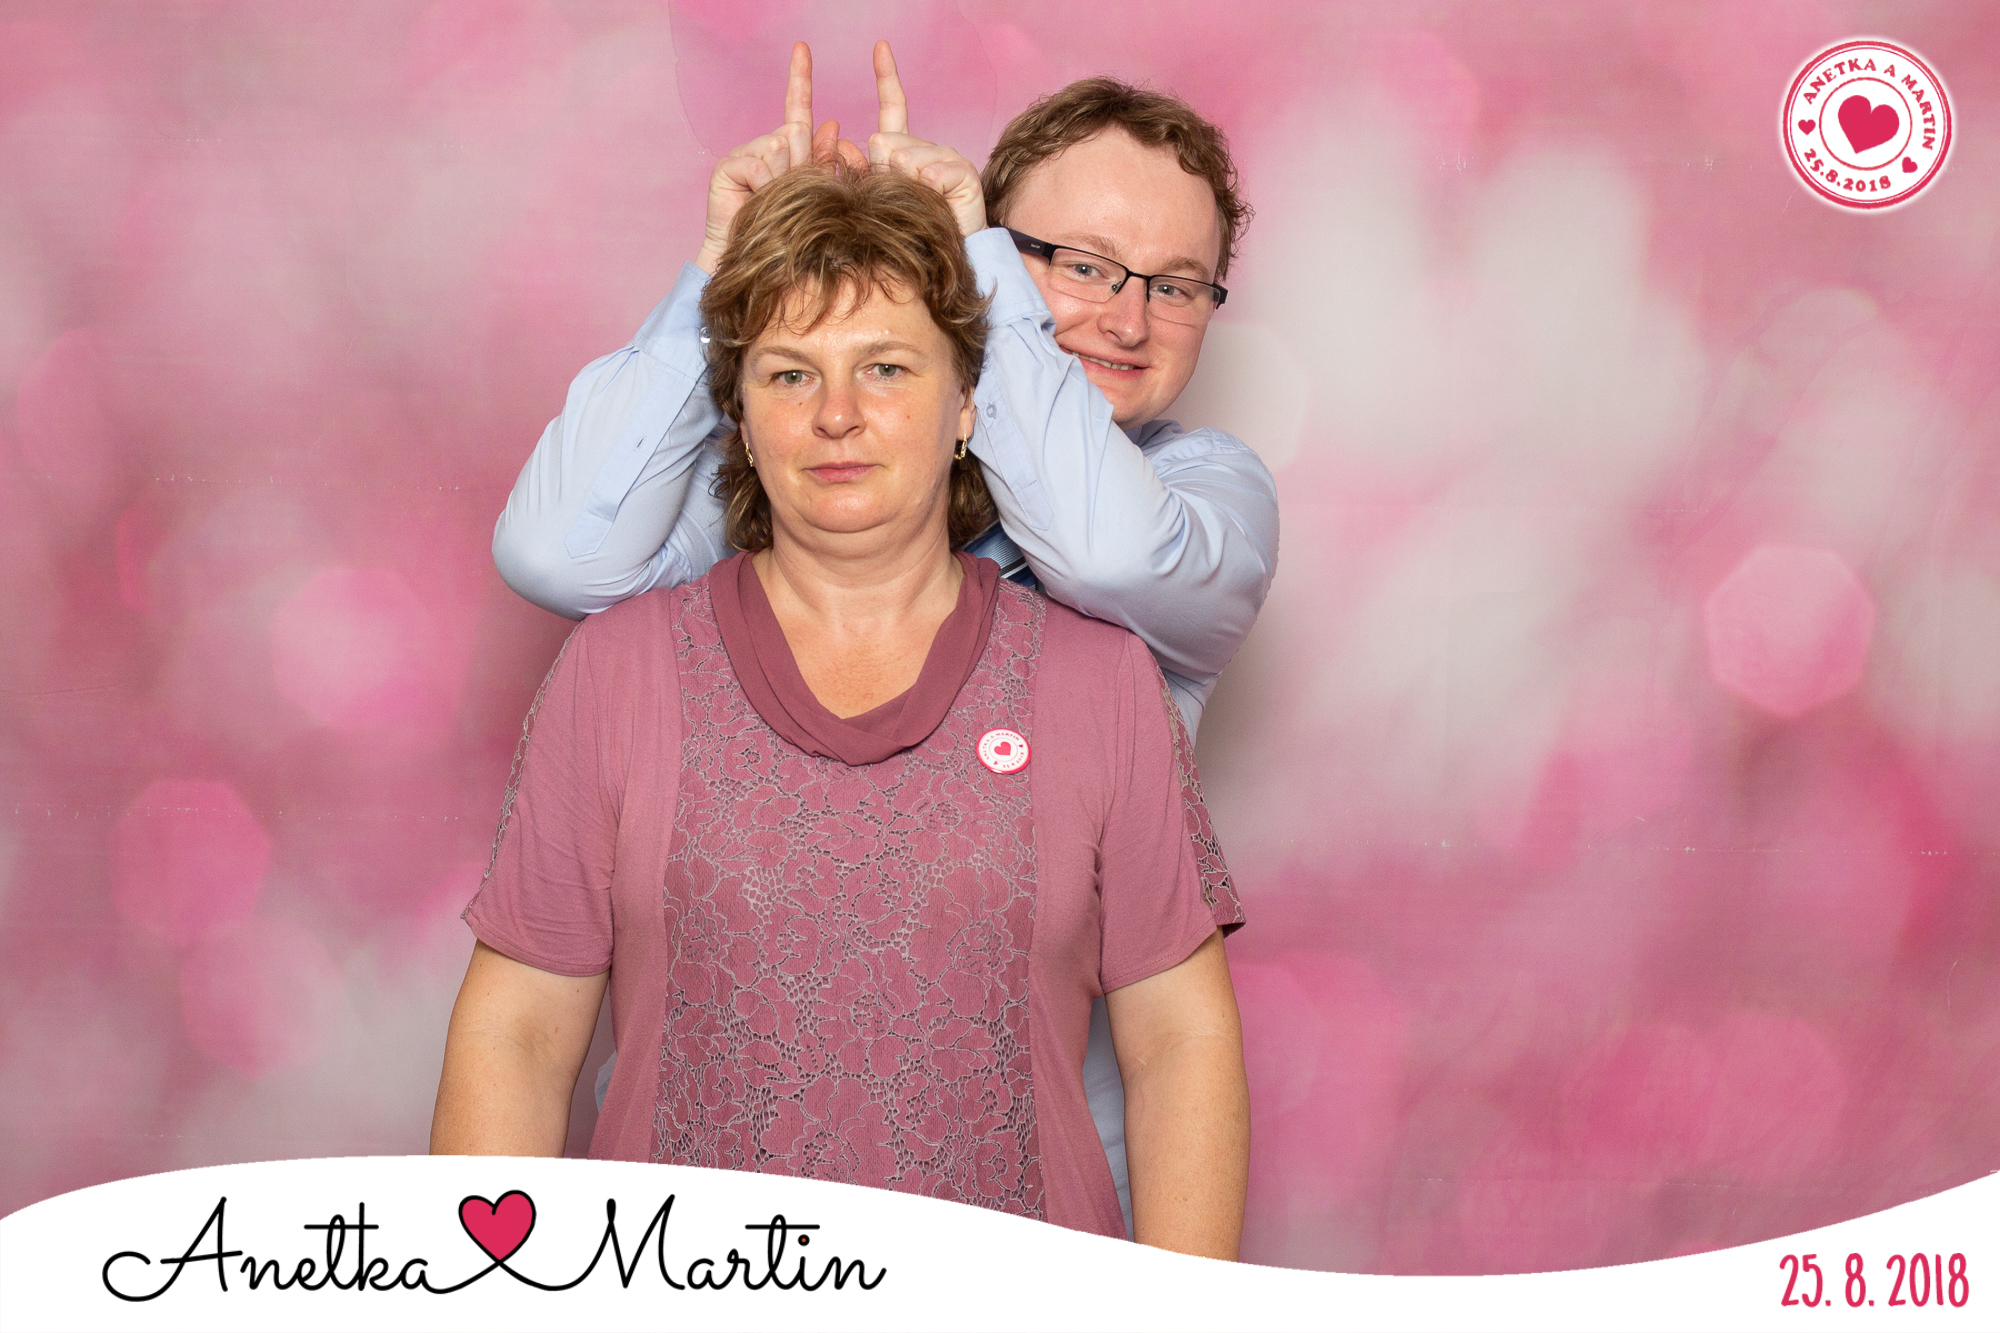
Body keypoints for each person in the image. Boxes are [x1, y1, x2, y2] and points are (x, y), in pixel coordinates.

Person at [490, 41, 1276, 1237]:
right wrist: (724, 274)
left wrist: (980, 297)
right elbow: (559, 553)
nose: (1127, 315)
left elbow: (1102, 549)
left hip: (1030, 1205)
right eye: (1080, 265)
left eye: (1176, 285)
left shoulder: (1202, 496)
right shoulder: (825, 459)